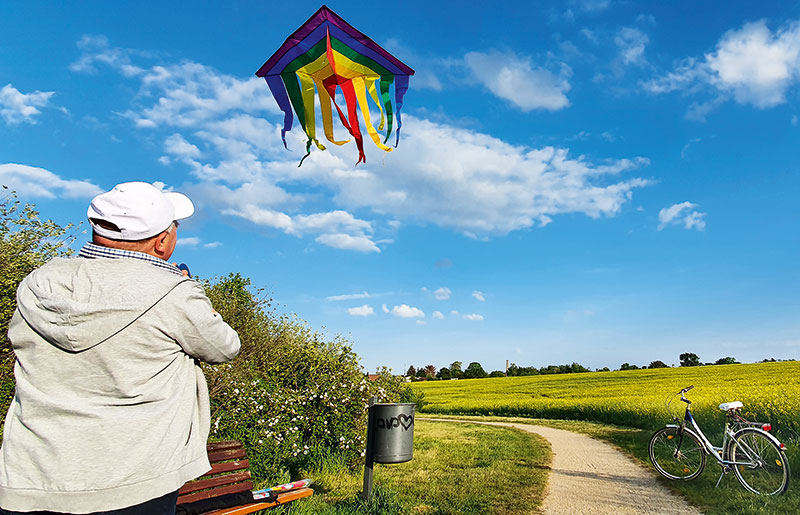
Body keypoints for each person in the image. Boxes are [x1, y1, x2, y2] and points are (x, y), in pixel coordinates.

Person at [0, 182, 241, 514]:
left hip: (32, 475)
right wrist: (207, 310)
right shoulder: (174, 293)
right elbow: (225, 346)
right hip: (136, 481)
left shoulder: (39, 282)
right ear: (162, 241)